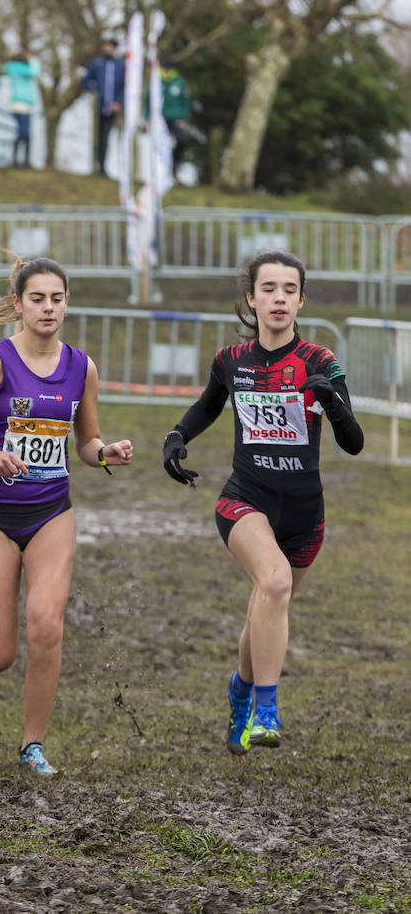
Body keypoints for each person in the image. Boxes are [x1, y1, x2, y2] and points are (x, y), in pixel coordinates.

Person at [0, 257, 133, 776]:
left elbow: (85, 441)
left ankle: (32, 745)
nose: (48, 308)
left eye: (57, 298)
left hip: (50, 512)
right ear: (18, 304)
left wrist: (105, 453)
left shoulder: (81, 367)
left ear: (67, 302)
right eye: (37, 298)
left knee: (46, 625)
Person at [162, 252, 363, 755]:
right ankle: (266, 709)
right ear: (251, 298)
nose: (279, 298)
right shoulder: (232, 360)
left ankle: (240, 689)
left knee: (268, 605)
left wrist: (334, 405)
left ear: (300, 299)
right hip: (244, 502)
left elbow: (354, 442)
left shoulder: (320, 362)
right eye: (268, 288)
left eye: (289, 289)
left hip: (305, 517)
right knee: (272, 583)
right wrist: (176, 437)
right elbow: (209, 403)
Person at [82, 38, 125, 177]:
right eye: (106, 46)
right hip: (98, 107)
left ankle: (104, 166)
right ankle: (95, 165)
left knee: (106, 136)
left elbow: (124, 86)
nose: (108, 49)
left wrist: (118, 102)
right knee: (97, 136)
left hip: (113, 108)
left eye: (111, 47)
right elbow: (85, 81)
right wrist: (94, 90)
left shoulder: (121, 66)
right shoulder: (97, 64)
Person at [151, 57, 192, 177]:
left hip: (176, 118)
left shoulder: (180, 81)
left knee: (181, 141)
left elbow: (185, 101)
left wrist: (185, 119)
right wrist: (148, 117)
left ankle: (174, 169)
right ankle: (160, 172)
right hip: (160, 118)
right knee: (161, 144)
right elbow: (149, 99)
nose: (167, 71)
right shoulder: (156, 81)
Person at [2, 51, 40, 168]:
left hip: (26, 104)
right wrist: (34, 60)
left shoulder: (13, 68)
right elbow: (35, 72)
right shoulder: (18, 68)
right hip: (20, 103)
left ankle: (23, 160)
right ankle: (19, 160)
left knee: (24, 133)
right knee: (24, 132)